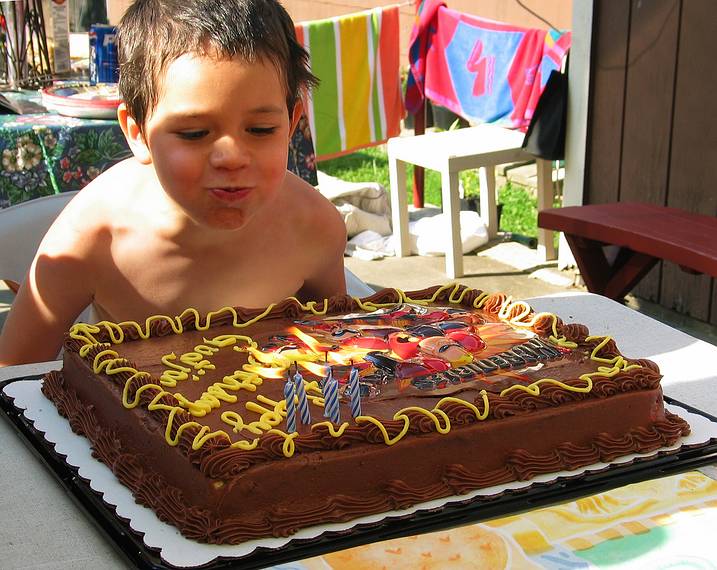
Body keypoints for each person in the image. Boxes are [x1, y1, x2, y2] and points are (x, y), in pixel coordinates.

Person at [0, 0, 347, 366]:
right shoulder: (93, 240)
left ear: (291, 126)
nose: (231, 156)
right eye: (194, 132)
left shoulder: (313, 228)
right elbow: (13, 375)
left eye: (261, 130)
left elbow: (339, 345)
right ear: (137, 132)